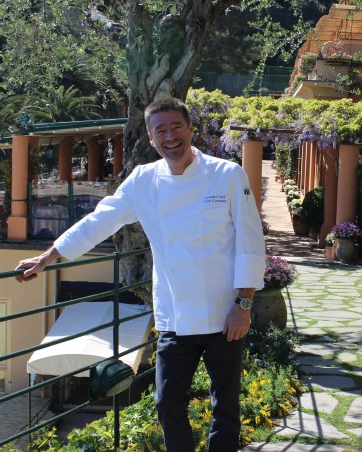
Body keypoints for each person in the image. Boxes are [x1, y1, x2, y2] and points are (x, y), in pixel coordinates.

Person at [15, 97, 266, 451]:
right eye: (160, 130)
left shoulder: (226, 175)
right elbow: (100, 220)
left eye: (176, 127)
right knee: (167, 405)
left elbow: (250, 240)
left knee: (225, 406)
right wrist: (49, 256)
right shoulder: (143, 181)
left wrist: (243, 304)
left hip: (226, 313)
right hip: (176, 316)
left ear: (190, 129)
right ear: (150, 138)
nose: (170, 136)